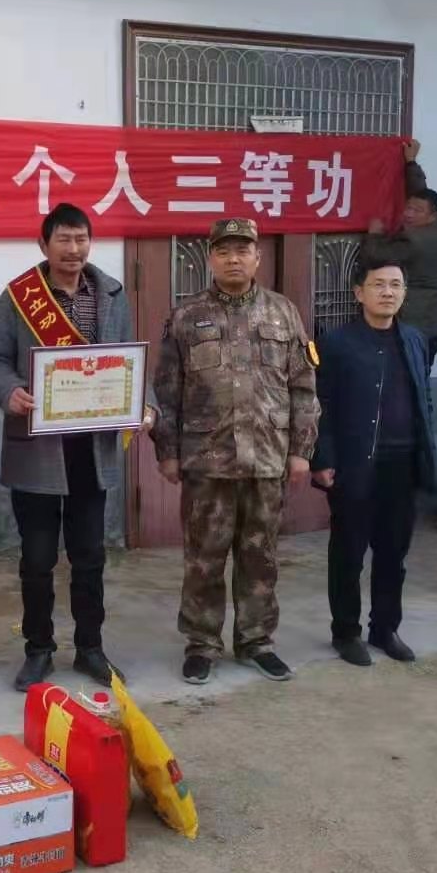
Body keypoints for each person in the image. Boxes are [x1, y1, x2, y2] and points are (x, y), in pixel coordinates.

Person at [0, 203, 150, 692]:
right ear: (44, 244)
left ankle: (90, 648)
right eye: (64, 240)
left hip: (91, 452)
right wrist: (10, 391)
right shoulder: (20, 296)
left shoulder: (112, 295)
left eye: (81, 239)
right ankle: (39, 650)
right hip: (37, 450)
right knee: (36, 560)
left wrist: (145, 406)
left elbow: (129, 360)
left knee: (90, 556)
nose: (73, 249)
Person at [152, 217, 319, 686]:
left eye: (242, 250)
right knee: (203, 558)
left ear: (257, 257)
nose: (233, 259)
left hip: (267, 458)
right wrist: (167, 450)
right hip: (207, 461)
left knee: (260, 557)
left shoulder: (283, 313)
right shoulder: (186, 316)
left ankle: (256, 641)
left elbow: (303, 386)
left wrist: (301, 450)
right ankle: (202, 644)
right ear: (210, 258)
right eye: (224, 251)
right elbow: (166, 391)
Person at [311, 260, 435, 666]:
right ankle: (346, 632)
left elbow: (424, 397)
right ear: (358, 292)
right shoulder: (337, 343)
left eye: (395, 285)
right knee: (349, 552)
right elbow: (321, 405)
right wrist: (322, 458)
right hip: (355, 464)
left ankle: (385, 628)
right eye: (378, 284)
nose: (388, 292)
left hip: (402, 464)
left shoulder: (414, 340)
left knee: (393, 554)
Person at [361, 139, 437, 368]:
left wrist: (374, 235)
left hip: (416, 329)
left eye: (416, 211)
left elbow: (376, 257)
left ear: (431, 215)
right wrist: (411, 162)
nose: (408, 214)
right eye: (407, 208)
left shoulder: (417, 242)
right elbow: (419, 195)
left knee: (412, 381)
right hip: (423, 325)